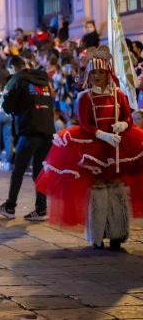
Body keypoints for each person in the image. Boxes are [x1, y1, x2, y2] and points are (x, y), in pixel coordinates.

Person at [35, 47, 143, 250]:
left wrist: (124, 125)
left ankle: (118, 233)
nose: (97, 76)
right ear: (89, 74)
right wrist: (101, 134)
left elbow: (127, 116)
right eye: (93, 72)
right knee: (98, 189)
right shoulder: (84, 97)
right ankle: (97, 233)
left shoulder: (118, 94)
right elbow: (84, 123)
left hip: (116, 147)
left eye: (101, 72)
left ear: (108, 73)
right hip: (94, 147)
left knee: (116, 187)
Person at [0, 55, 55, 221]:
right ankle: (41, 209)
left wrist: (16, 108)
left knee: (18, 169)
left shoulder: (17, 79)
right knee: (39, 171)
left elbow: (6, 104)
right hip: (48, 130)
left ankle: (10, 207)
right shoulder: (43, 80)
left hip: (29, 130)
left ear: (13, 67)